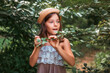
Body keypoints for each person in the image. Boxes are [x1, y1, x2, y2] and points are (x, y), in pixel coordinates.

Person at [29, 8, 75, 73]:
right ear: (44, 24)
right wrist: (37, 47)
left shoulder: (63, 41)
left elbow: (72, 62)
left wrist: (57, 47)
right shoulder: (40, 41)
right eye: (51, 22)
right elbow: (32, 63)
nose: (56, 25)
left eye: (57, 21)